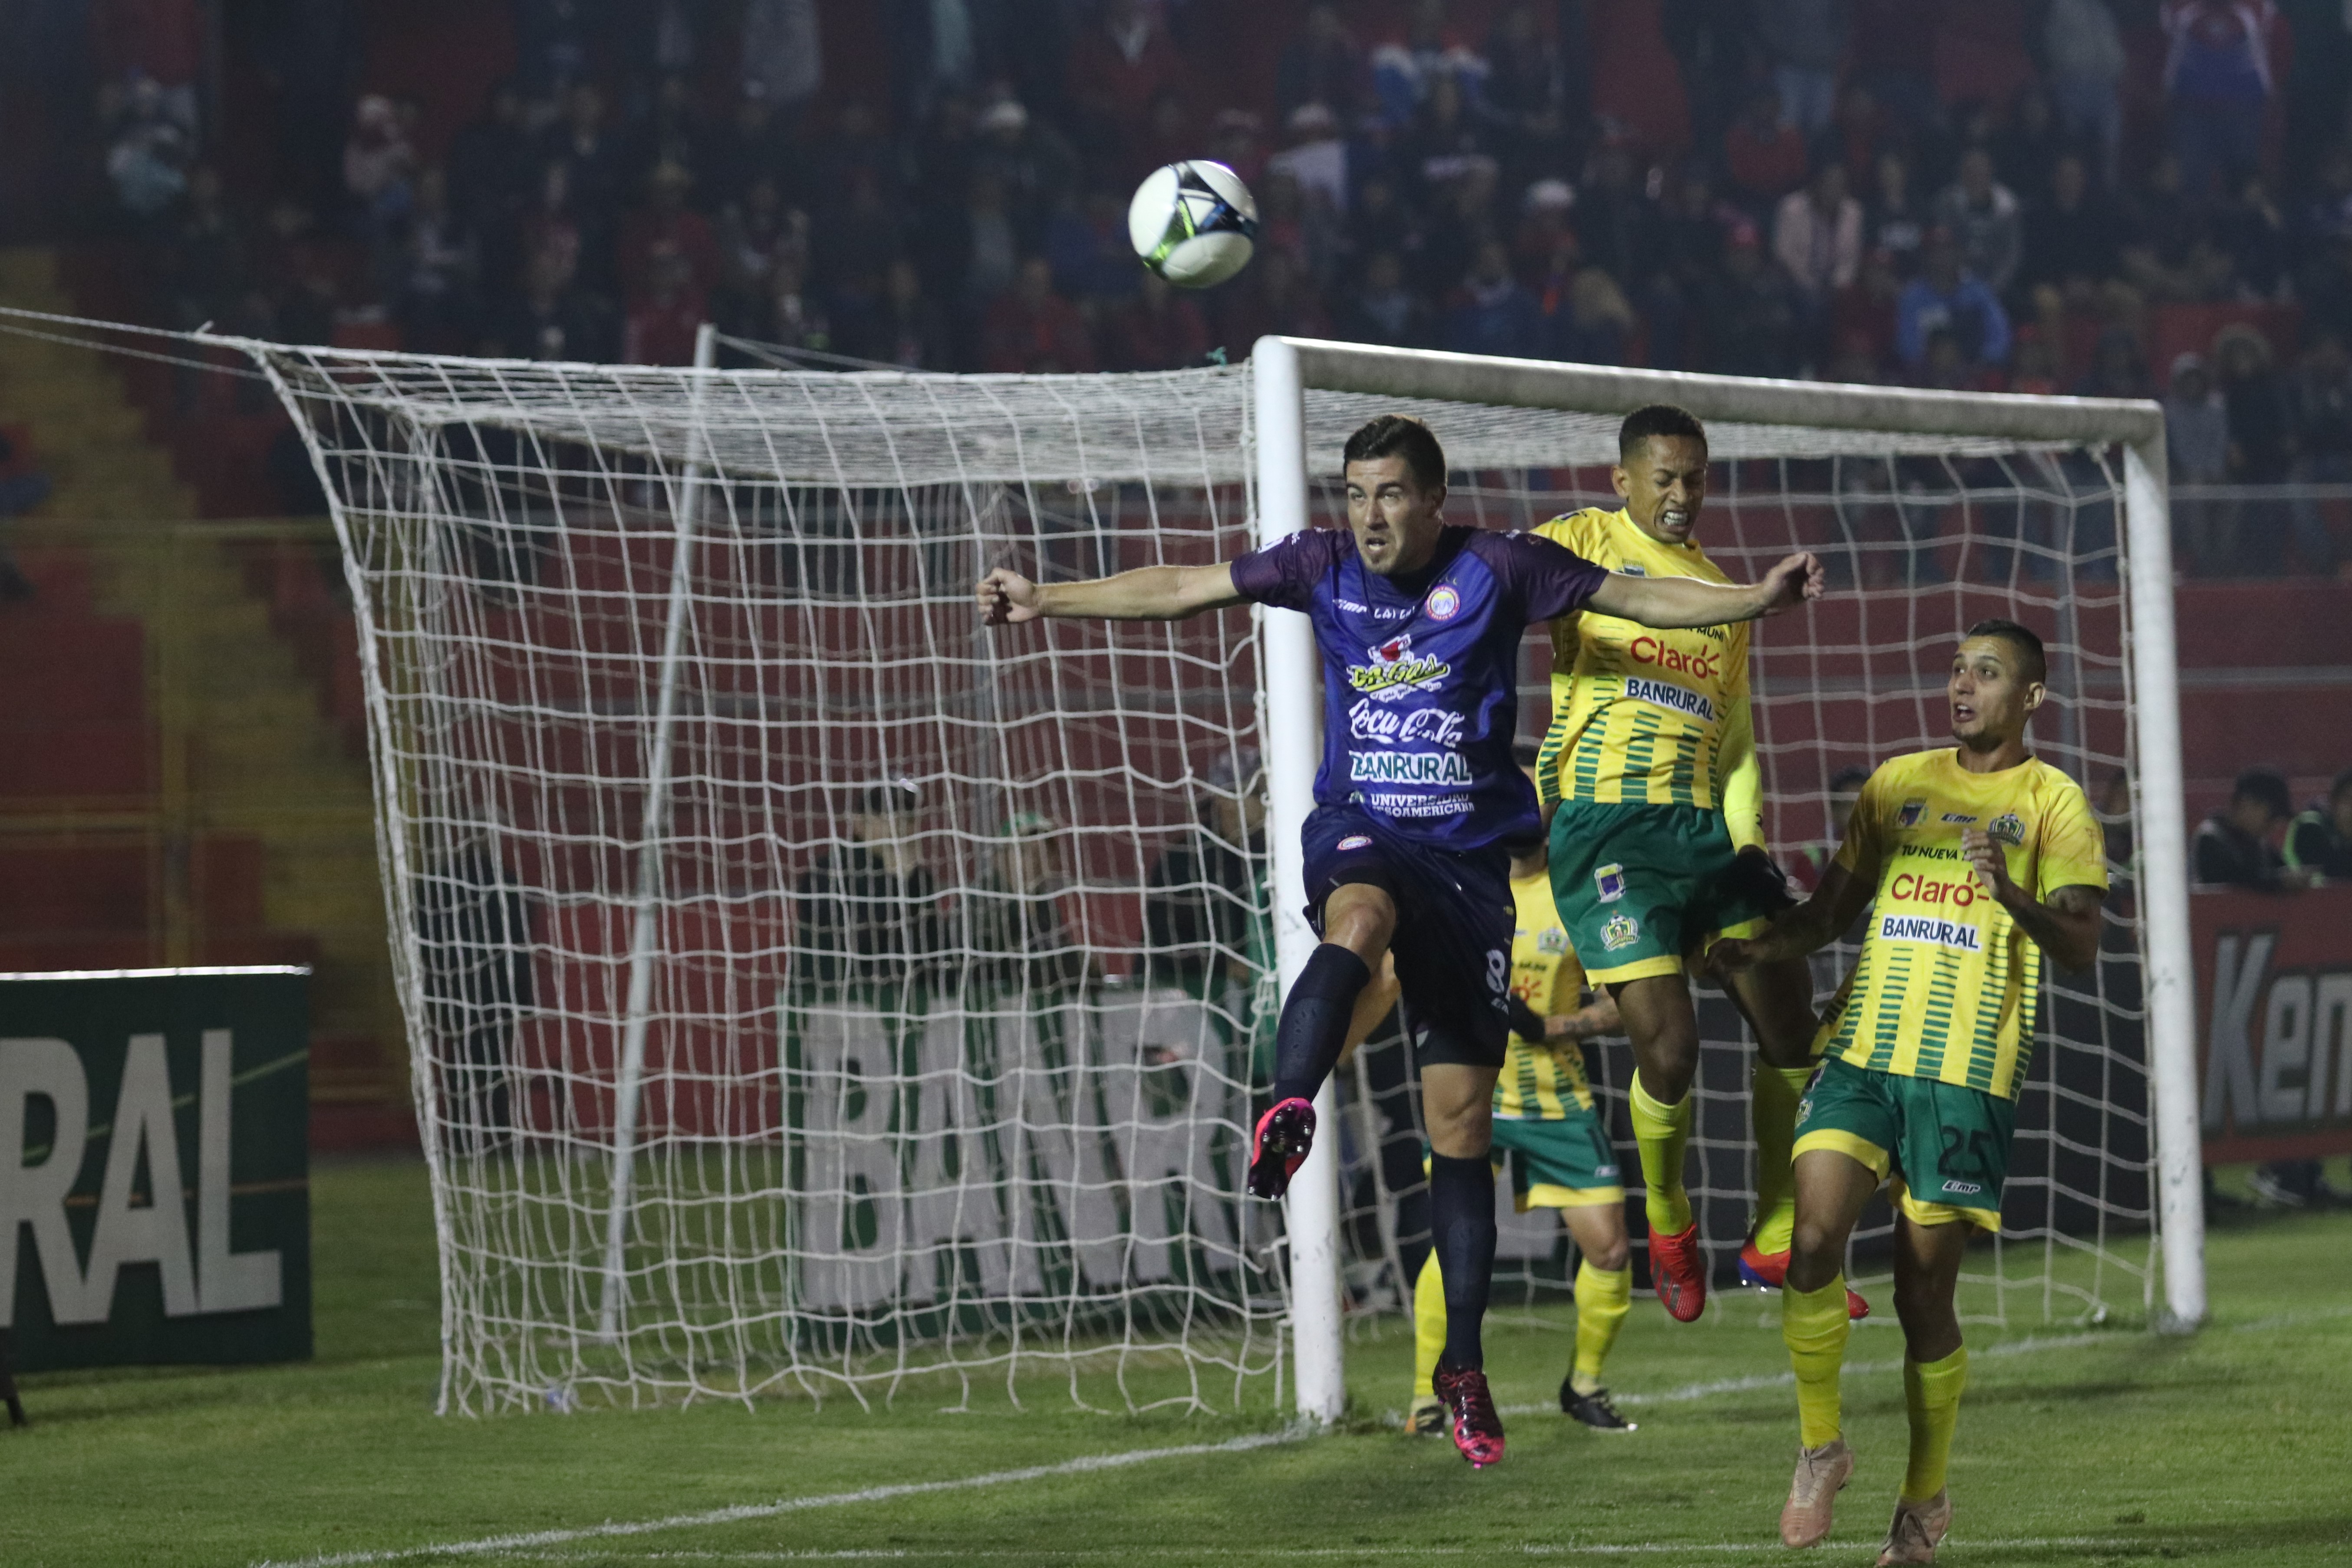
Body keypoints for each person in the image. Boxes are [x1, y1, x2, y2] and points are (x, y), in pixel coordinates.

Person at [977, 413, 1824, 1467]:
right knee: (1358, 919)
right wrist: (1046, 597)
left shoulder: (1500, 566)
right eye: (1355, 493)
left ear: (1432, 500)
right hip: (1366, 831)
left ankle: (1460, 1370)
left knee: (1461, 1127)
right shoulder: (1320, 566)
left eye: (1388, 495)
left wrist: (1752, 599)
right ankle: (1290, 1102)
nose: (1367, 515)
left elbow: (1641, 596)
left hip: (1470, 873)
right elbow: (1184, 584)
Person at [1713, 619, 2109, 1563]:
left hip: (1968, 1078)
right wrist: (1754, 948)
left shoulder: (2055, 804)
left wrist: (2010, 894)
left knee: (1922, 1302)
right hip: (1863, 1055)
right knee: (1810, 1239)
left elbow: (2084, 946)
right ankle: (1820, 1448)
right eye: (1957, 670)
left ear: (2032, 698)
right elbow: (1826, 917)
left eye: (1988, 673)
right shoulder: (1897, 786)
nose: (1963, 686)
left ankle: (1924, 1504)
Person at [1532, 405, 1860, 1325]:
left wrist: (1746, 838)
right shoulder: (1578, 540)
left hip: (1702, 837)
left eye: (1695, 479)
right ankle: (1669, 1224)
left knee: (1792, 1024)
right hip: (1605, 831)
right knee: (1671, 1051)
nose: (1681, 497)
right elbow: (1494, 582)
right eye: (1665, 479)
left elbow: (1738, 741)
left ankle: (1774, 1234)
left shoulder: (1724, 592)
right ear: (1623, 481)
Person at [1409, 743, 1637, 1438]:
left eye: (1535, 792)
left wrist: (1549, 1026)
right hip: (1472, 1093)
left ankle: (1583, 1384)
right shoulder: (1458, 882)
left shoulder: (1584, 889)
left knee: (1609, 1251)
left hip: (1554, 1098)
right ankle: (1425, 1396)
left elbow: (1622, 1002)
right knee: (1445, 1247)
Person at [2193, 766, 2306, 890]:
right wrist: (2276, 883)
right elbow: (2230, 880)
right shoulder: (2211, 837)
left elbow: (2282, 871)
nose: (2275, 825)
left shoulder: (2259, 844)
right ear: (2245, 803)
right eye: (2272, 815)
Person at [2286, 768, 2352, 881]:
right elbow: (2334, 870)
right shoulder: (2309, 826)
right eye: (2349, 799)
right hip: (2306, 898)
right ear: (2333, 802)